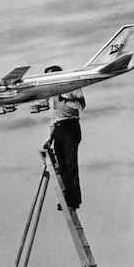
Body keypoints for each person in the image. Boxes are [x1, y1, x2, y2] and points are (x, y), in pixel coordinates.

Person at [42, 65, 86, 210]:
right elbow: (53, 117)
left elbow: (80, 106)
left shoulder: (71, 86)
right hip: (58, 128)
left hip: (70, 125)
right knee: (62, 166)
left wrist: (64, 96)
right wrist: (50, 138)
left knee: (70, 164)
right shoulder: (50, 95)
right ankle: (68, 197)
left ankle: (74, 200)